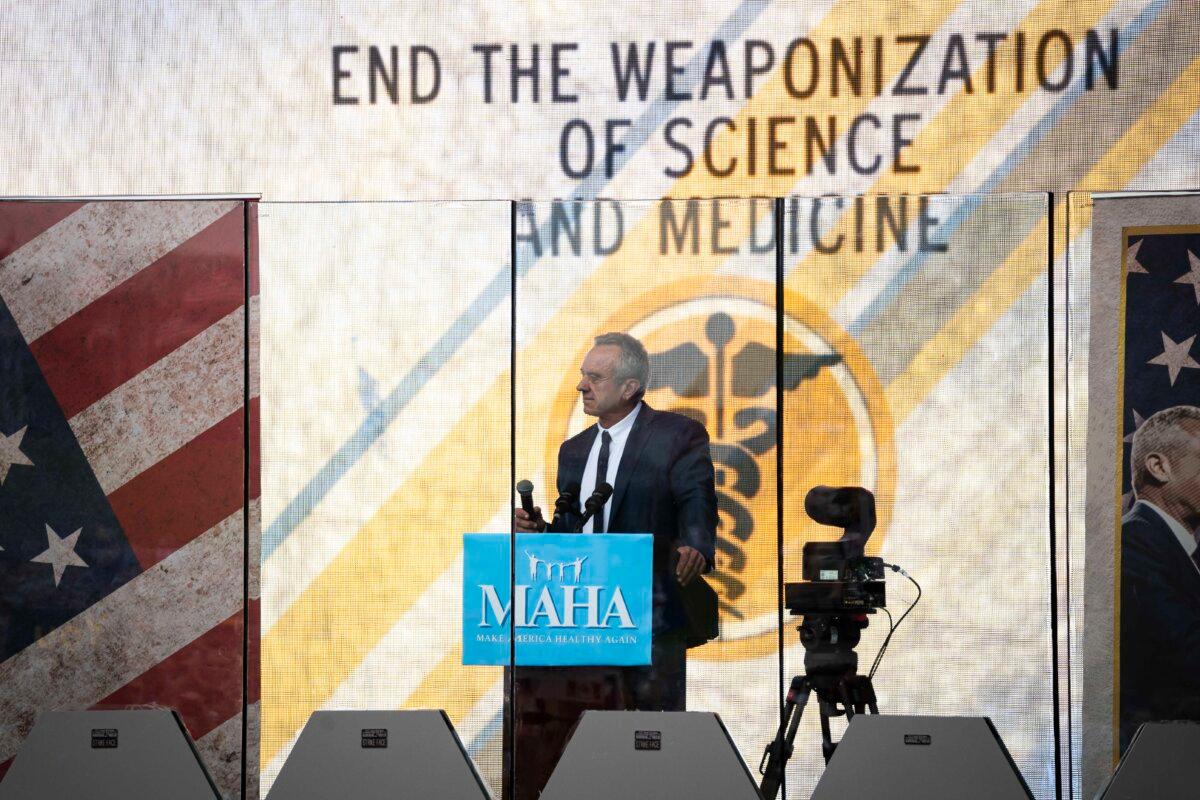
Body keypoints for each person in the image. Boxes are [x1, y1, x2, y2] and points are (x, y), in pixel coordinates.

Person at [514, 331, 718, 710]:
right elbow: (574, 529)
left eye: (595, 378)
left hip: (650, 613)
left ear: (630, 388)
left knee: (652, 737)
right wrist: (540, 531)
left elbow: (697, 501)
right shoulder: (573, 451)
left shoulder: (676, 436)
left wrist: (697, 546)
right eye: (582, 374)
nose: (581, 386)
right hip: (581, 615)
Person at [1120, 405, 1200, 752]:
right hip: (1158, 762)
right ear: (1158, 467)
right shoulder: (1132, 544)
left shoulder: (1171, 548)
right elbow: (1188, 658)